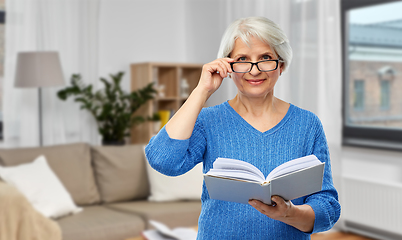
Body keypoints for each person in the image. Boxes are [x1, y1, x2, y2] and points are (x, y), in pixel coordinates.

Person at [145, 16, 341, 239]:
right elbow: (163, 161)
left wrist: (289, 213)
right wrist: (202, 91)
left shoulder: (307, 124)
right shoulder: (208, 120)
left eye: (266, 58)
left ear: (282, 64)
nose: (254, 70)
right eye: (242, 59)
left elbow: (328, 208)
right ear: (228, 65)